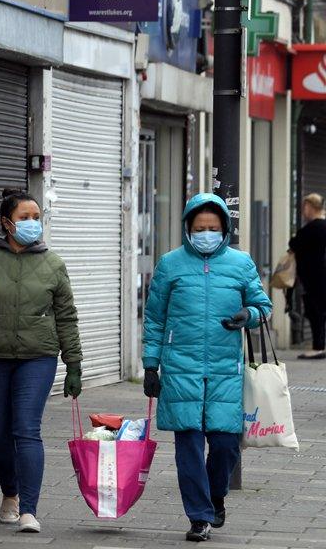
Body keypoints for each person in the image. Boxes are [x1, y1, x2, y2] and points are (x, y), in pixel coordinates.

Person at [0, 188, 84, 534]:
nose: (33, 223)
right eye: (25, 218)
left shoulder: (53, 264)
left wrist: (74, 364)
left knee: (26, 429)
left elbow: (66, 317)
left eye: (37, 217)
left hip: (37, 358)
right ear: (6, 223)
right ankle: (8, 491)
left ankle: (29, 509)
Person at [142, 193, 272, 543]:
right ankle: (198, 516)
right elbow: (154, 318)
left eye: (213, 228)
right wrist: (151, 365)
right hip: (179, 367)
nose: (206, 233)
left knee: (226, 444)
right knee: (188, 447)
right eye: (199, 228)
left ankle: (216, 497)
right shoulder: (170, 264)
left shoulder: (241, 263)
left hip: (224, 369)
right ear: (188, 228)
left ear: (224, 229)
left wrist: (249, 315)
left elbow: (263, 306)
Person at [288, 193, 326, 359]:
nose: (303, 211)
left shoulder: (312, 228)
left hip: (314, 278)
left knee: (315, 312)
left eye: (304, 207)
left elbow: (294, 243)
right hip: (319, 276)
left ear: (310, 207)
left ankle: (318, 346)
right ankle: (319, 345)